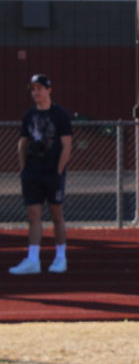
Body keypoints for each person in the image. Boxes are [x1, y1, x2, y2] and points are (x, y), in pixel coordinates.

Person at [10, 73, 73, 275]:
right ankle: (33, 259)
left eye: (40, 88)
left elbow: (66, 145)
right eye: (33, 89)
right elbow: (23, 143)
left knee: (56, 215)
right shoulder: (29, 115)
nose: (36, 92)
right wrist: (24, 168)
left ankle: (61, 257)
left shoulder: (60, 114)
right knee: (33, 216)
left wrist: (58, 170)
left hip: (52, 173)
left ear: (48, 90)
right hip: (32, 173)